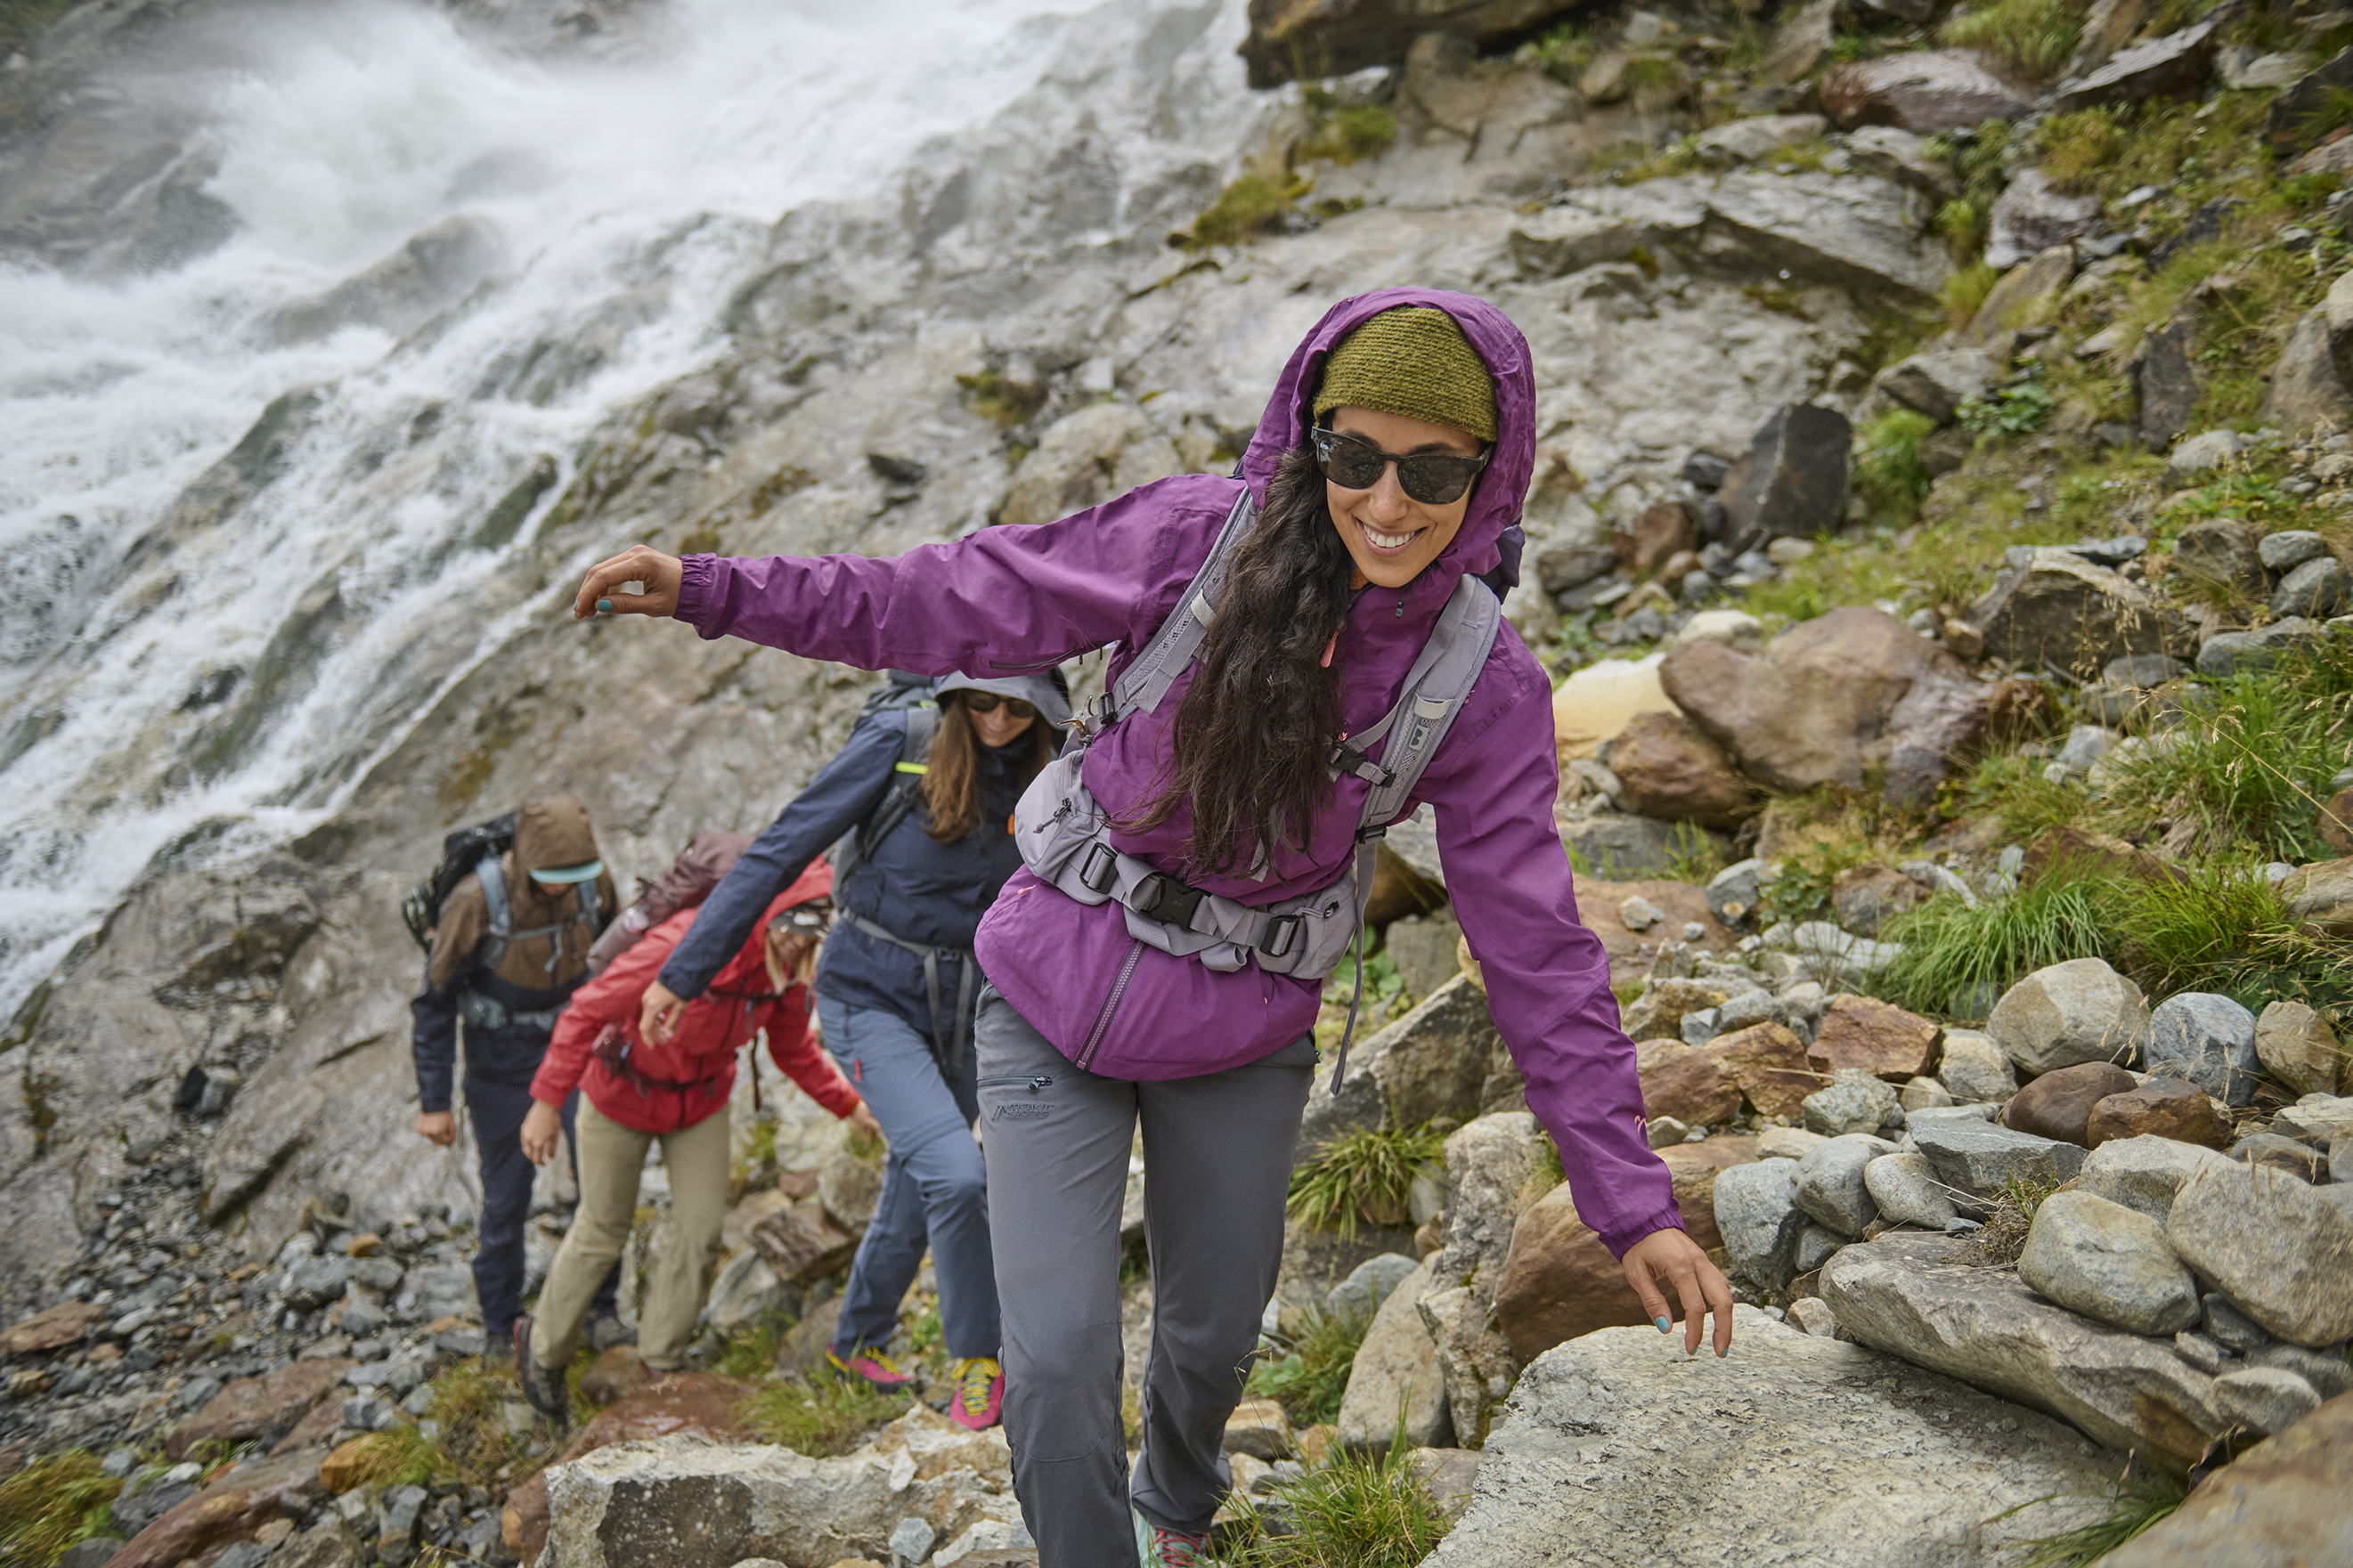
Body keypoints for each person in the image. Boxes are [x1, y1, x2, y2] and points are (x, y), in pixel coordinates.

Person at [568, 289, 1735, 1568]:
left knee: (1210, 1337)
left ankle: (1175, 1504)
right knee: (1055, 1355)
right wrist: (710, 589)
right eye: (1352, 455)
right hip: (1045, 990)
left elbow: (1537, 955)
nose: (1386, 502)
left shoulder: (1479, 689)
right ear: (1310, 440)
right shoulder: (1188, 543)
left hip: (1239, 1031)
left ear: (1489, 473)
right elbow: (949, 598)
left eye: (1433, 471)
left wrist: (1630, 1205)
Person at [633, 667, 1066, 1432]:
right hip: (869, 998)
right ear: (954, 695)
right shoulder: (902, 743)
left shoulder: (1053, 769)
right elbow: (777, 851)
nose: (999, 719)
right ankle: (979, 1356)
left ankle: (855, 1341)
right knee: (957, 1173)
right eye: (982, 701)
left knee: (917, 1174)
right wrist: (682, 973)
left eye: (1019, 708)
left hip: (973, 1009)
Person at [513, 867, 878, 1426]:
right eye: (790, 927)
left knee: (701, 1229)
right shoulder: (688, 941)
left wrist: (850, 1105)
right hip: (620, 1095)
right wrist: (546, 1100)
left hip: (700, 1103)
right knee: (602, 1227)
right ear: (770, 911)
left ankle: (660, 1361)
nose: (795, 942)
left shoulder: (786, 972)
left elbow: (794, 1050)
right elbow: (587, 1009)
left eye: (811, 936)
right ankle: (541, 1351)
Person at [411, 795, 628, 1361]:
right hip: (500, 1063)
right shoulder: (474, 901)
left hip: (579, 1050)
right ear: (528, 862)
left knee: (600, 1182)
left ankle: (601, 1311)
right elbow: (435, 1002)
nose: (567, 886)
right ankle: (501, 1325)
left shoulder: (594, 885)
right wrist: (435, 1101)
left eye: (576, 874)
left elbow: (621, 962)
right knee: (507, 1197)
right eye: (555, 877)